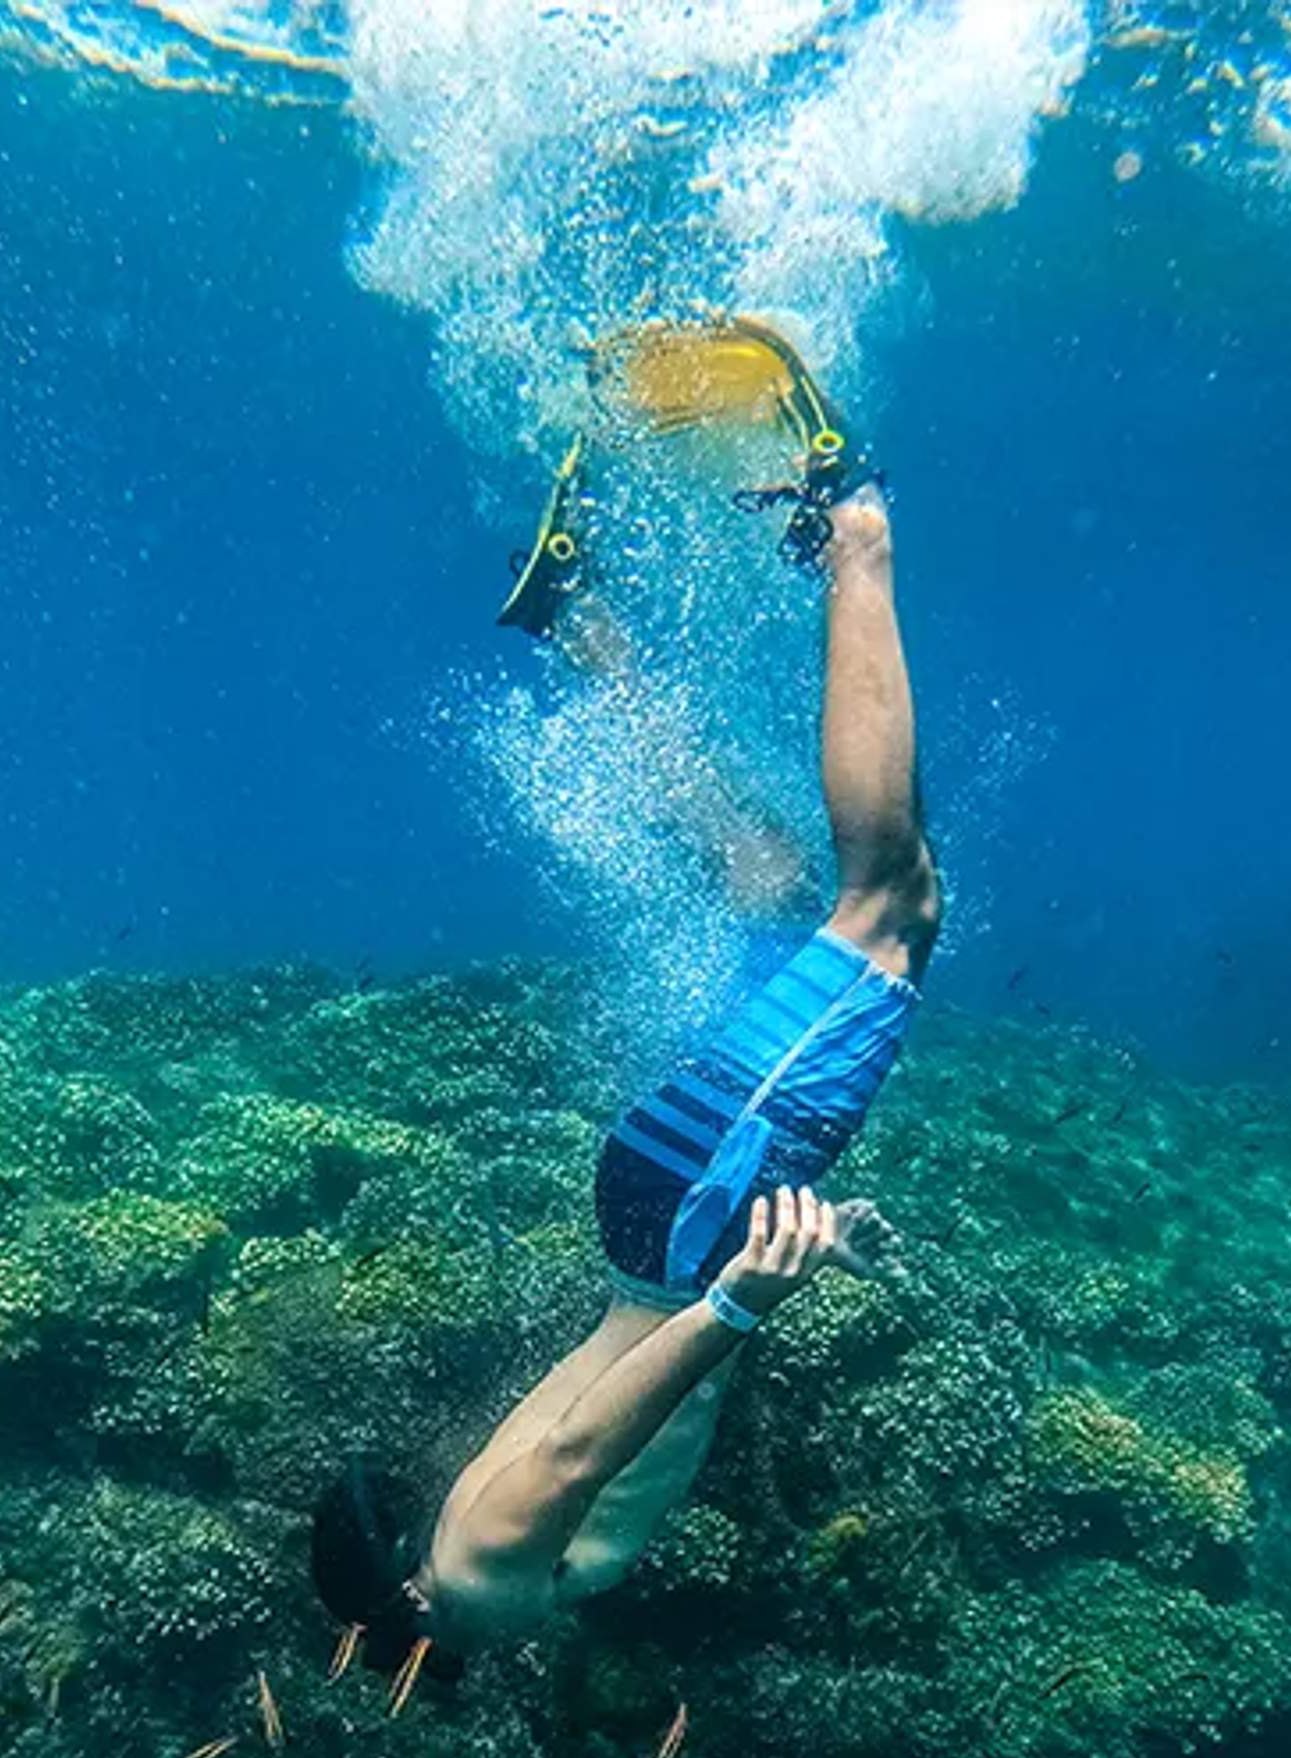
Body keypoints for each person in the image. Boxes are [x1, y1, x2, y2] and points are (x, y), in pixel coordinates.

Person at [315, 368, 938, 1673]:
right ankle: (577, 621)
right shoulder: (461, 1559)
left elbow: (579, 1447)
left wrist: (742, 1301)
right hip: (657, 1222)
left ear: (407, 1624)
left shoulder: (479, 1578)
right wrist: (792, 1252)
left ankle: (854, 537)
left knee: (889, 909)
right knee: (766, 883)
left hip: (691, 1236)